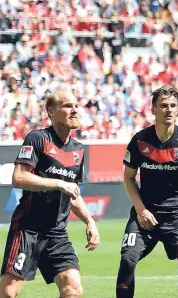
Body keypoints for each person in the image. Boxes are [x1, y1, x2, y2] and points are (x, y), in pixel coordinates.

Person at [0, 90, 100, 298]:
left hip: (57, 233)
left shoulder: (78, 150)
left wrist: (89, 221)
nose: (74, 110)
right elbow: (19, 178)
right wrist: (59, 184)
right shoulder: (38, 138)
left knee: (73, 290)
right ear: (51, 112)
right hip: (27, 228)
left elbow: (73, 192)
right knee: (8, 292)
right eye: (67, 106)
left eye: (76, 105)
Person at [116, 85, 178, 298]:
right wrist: (140, 210)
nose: (168, 109)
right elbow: (129, 178)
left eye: (172, 106)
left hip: (177, 212)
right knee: (127, 260)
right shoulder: (139, 141)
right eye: (163, 105)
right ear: (153, 109)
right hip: (146, 211)